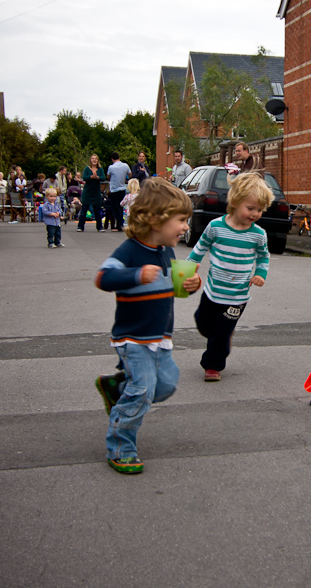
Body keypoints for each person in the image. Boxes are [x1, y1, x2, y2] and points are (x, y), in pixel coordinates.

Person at [94, 178, 199, 474]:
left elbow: (176, 289)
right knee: (143, 390)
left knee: (165, 385)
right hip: (133, 337)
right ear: (154, 219)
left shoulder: (167, 251)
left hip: (161, 338)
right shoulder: (129, 252)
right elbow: (103, 278)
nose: (184, 227)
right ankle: (120, 445)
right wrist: (135, 275)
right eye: (180, 220)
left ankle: (117, 388)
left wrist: (192, 284)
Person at [187, 172, 272, 382]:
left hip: (238, 296)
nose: (255, 214)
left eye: (259, 210)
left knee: (221, 332)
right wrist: (190, 267)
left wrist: (260, 274)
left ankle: (212, 365)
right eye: (250, 208)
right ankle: (221, 337)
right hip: (213, 290)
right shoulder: (216, 227)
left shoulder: (258, 234)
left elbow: (263, 257)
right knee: (204, 324)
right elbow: (201, 247)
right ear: (235, 202)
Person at [78, 154, 105, 232]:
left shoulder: (100, 169)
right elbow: (84, 177)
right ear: (90, 160)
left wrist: (97, 177)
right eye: (93, 158)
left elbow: (103, 178)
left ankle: (99, 227)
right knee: (84, 210)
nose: (94, 160)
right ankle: (80, 226)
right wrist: (91, 177)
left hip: (96, 192)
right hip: (87, 192)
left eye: (95, 159)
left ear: (97, 160)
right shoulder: (87, 169)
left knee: (97, 210)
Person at [107, 152, 131, 231]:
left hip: (114, 189)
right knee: (121, 207)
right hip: (122, 188)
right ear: (119, 158)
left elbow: (108, 176)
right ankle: (120, 224)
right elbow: (130, 174)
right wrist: (125, 179)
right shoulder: (125, 165)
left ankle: (118, 226)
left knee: (115, 208)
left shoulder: (111, 167)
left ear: (112, 159)